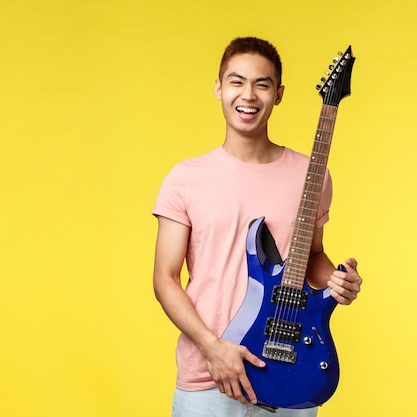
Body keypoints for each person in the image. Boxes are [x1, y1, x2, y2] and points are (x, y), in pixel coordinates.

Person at [152, 36, 363, 417]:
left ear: (278, 94)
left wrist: (337, 281)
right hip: (210, 375)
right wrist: (213, 349)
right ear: (218, 88)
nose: (248, 95)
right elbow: (165, 279)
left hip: (291, 369)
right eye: (236, 81)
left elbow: (311, 255)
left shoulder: (310, 173)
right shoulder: (185, 178)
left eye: (261, 84)